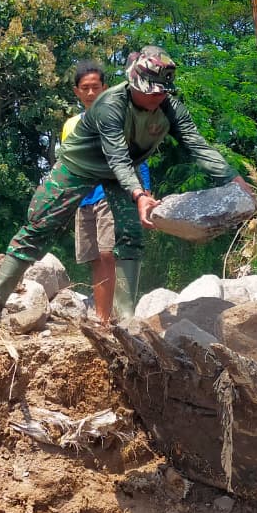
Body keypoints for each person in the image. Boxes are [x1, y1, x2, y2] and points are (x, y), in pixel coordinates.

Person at [0, 45, 251, 320]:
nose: (157, 96)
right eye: (151, 90)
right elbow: (117, 155)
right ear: (134, 84)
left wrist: (233, 178)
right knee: (40, 224)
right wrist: (138, 193)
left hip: (120, 172)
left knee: (129, 236)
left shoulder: (170, 108)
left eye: (162, 91)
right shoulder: (110, 104)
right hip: (79, 165)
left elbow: (195, 144)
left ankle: (125, 318)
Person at [61, 60, 150, 325]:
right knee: (96, 259)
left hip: (112, 194)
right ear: (77, 91)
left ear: (105, 88)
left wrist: (144, 191)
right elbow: (67, 164)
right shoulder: (71, 125)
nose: (90, 93)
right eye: (85, 88)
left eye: (95, 87)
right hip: (84, 197)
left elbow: (138, 156)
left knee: (110, 253)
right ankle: (103, 320)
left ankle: (123, 316)